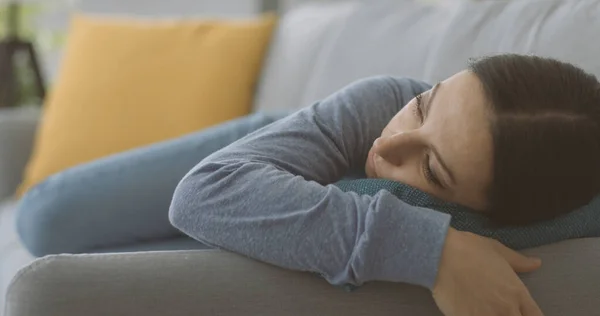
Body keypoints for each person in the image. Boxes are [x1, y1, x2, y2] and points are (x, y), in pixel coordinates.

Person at [169, 54, 600, 316]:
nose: (387, 145)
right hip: (269, 137)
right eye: (421, 107)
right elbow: (202, 193)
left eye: (431, 169)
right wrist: (435, 249)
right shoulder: (380, 102)